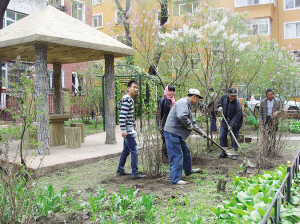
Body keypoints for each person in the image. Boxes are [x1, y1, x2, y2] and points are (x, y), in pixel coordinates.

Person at [164, 89, 207, 185]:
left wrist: (201, 132)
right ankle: (175, 179)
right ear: (194, 97)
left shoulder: (187, 105)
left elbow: (192, 122)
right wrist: (188, 125)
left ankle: (188, 170)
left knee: (185, 151)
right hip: (172, 132)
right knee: (176, 155)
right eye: (198, 99)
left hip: (177, 133)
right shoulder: (183, 103)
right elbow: (181, 116)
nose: (197, 101)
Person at [116, 80, 145, 180]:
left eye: (137, 87)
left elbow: (128, 116)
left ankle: (120, 170)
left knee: (126, 150)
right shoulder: (127, 99)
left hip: (129, 129)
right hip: (128, 131)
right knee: (134, 151)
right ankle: (135, 173)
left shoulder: (128, 99)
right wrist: (124, 130)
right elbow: (122, 116)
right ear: (128, 88)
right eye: (134, 87)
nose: (136, 89)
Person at [217, 87, 243, 160]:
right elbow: (220, 102)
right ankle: (224, 152)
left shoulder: (237, 104)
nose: (233, 97)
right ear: (228, 94)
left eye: (235, 96)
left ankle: (234, 153)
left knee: (234, 138)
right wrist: (220, 106)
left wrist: (232, 125)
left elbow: (237, 117)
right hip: (225, 120)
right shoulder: (224, 97)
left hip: (235, 122)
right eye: (232, 96)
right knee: (222, 136)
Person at [259, 88, 283, 155]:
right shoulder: (263, 101)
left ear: (273, 94)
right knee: (265, 135)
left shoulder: (277, 101)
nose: (269, 96)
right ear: (266, 95)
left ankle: (272, 149)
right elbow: (260, 112)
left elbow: (281, 110)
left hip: (274, 120)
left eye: (271, 94)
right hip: (265, 119)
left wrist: (277, 113)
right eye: (268, 94)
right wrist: (260, 120)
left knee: (273, 135)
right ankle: (266, 149)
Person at [157, 85, 176, 162]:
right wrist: (159, 124)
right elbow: (159, 113)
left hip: (173, 124)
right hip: (165, 124)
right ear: (167, 91)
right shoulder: (163, 100)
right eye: (170, 91)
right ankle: (164, 157)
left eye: (173, 91)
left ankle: (170, 156)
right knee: (165, 140)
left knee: (172, 140)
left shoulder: (173, 101)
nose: (172, 92)